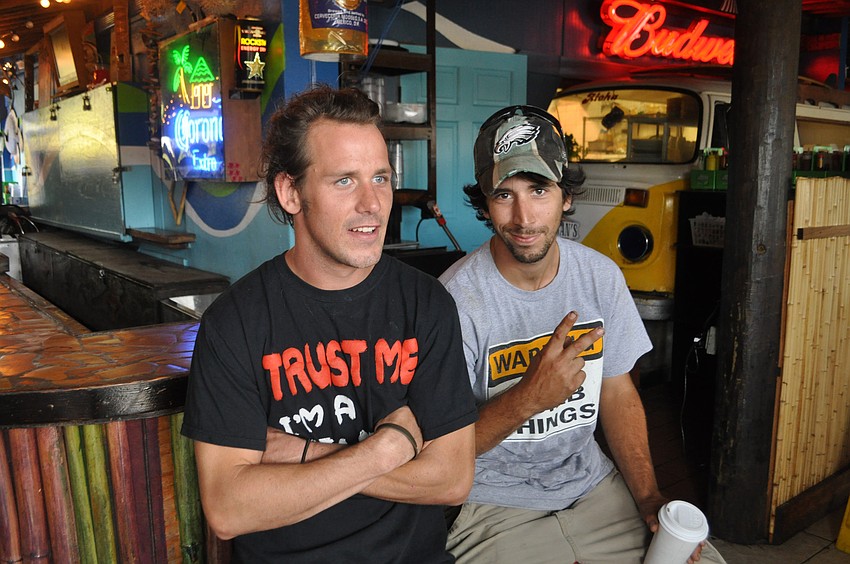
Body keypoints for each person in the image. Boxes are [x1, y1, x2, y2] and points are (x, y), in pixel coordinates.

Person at [181, 85, 478, 563]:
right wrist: (386, 450)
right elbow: (229, 509)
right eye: (344, 181)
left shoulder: (425, 303)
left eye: (380, 178)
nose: (373, 203)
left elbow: (451, 479)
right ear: (290, 192)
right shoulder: (235, 323)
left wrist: (305, 455)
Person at [439, 105, 725, 563]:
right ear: (485, 204)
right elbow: (443, 448)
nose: (524, 217)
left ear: (566, 196)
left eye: (539, 190)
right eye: (504, 194)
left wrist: (648, 495)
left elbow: (617, 391)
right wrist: (529, 397)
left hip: (593, 486)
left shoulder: (599, 276)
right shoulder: (453, 300)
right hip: (492, 504)